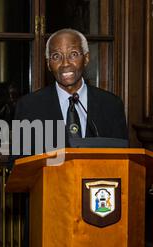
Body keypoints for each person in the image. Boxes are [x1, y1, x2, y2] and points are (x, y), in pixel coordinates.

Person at [12, 28, 128, 158]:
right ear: (49, 64)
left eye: (73, 54)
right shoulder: (29, 107)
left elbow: (121, 159)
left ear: (86, 58)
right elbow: (19, 166)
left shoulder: (111, 105)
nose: (65, 63)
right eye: (56, 56)